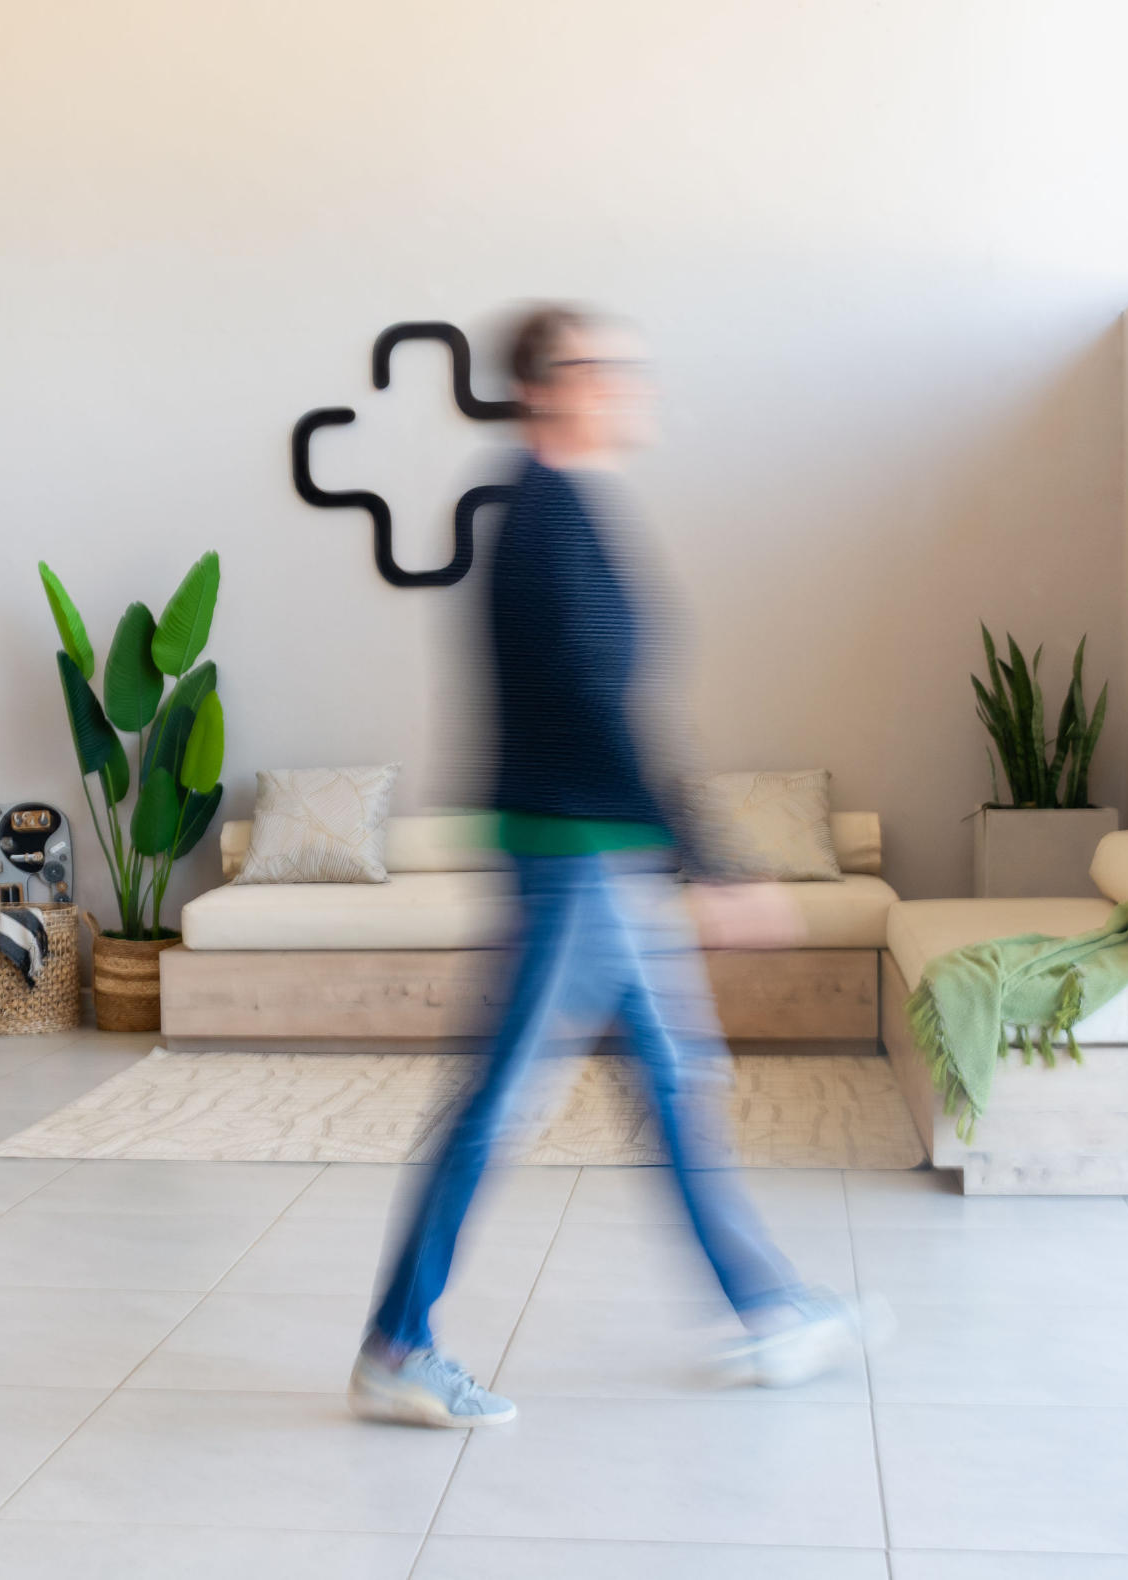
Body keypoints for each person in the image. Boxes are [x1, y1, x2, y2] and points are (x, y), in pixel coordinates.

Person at [348, 305, 857, 1430]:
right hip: (571, 858)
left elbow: (610, 701)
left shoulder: (564, 506)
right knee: (498, 1104)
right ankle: (396, 1339)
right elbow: (591, 707)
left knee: (677, 1080)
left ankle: (766, 1304)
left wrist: (681, 852)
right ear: (553, 381)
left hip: (596, 853)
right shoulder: (541, 515)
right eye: (609, 370)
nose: (630, 386)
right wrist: (711, 860)